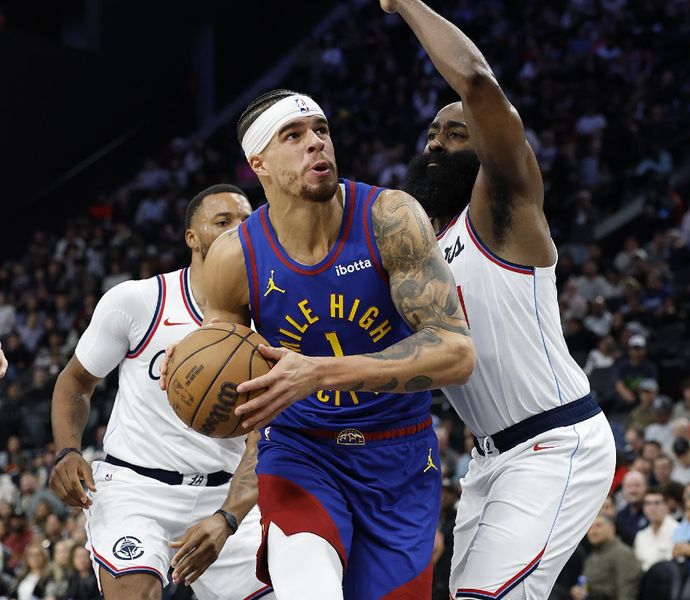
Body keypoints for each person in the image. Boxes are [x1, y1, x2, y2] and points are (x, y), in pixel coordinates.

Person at [180, 86, 475, 599]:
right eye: (293, 136)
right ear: (259, 163)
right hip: (301, 454)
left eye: (321, 130)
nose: (315, 143)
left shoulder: (390, 218)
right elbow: (252, 400)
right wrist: (231, 514)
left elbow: (456, 352)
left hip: (398, 459)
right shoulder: (233, 257)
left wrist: (318, 372)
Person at [387, 0, 616, 596]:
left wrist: (403, 4)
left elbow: (478, 83)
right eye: (432, 134)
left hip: (554, 441)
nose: (436, 144)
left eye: (456, 133)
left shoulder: (502, 212)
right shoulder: (420, 250)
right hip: (486, 462)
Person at [48, 185, 268, 600]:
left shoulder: (269, 321)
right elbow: (76, 381)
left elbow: (265, 439)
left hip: (225, 495)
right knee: (136, 592)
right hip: (135, 488)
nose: (238, 231)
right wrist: (67, 450)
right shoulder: (139, 301)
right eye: (223, 222)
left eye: (247, 222)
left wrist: (229, 518)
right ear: (192, 237)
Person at [570, 515, 641, 600]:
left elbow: (627, 591)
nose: (593, 531)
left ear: (612, 528)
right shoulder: (592, 555)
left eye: (598, 526)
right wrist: (575, 592)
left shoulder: (623, 553)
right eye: (590, 527)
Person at [633, 488, 679, 571]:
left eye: (657, 503)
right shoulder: (640, 536)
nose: (652, 508)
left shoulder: (678, 530)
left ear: (667, 505)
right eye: (648, 503)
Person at [616, 471, 649, 546]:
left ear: (646, 488)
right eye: (629, 486)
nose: (633, 490)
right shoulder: (620, 516)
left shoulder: (653, 511)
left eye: (637, 486)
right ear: (623, 490)